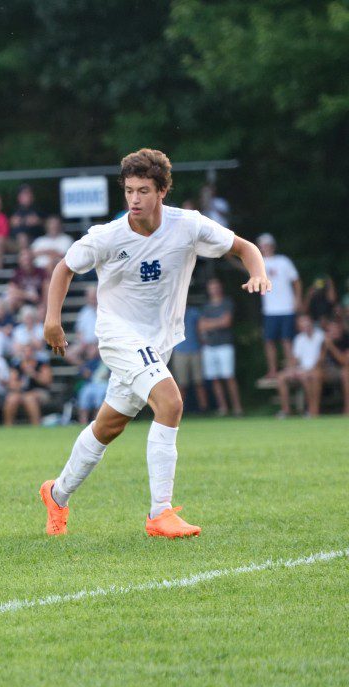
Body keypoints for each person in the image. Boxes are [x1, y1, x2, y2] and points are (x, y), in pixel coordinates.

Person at [41, 148, 271, 538]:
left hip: (157, 342)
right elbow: (64, 268)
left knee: (108, 426)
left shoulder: (188, 225)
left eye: (143, 190)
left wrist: (259, 273)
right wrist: (52, 320)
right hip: (118, 335)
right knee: (171, 401)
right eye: (129, 190)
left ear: (162, 191)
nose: (134, 199)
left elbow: (244, 247)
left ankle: (56, 495)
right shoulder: (108, 236)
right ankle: (159, 514)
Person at [199, 278, 243, 416]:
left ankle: (237, 407)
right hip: (209, 346)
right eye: (212, 287)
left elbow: (227, 322)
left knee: (229, 377)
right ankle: (223, 408)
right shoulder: (206, 306)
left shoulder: (227, 302)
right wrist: (218, 322)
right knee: (214, 379)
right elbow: (201, 326)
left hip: (224, 345)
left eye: (216, 286)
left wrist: (210, 323)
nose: (214, 289)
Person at [259, 233, 300, 378]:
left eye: (267, 244)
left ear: (272, 245)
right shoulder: (259, 262)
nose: (265, 247)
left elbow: (296, 280)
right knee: (269, 341)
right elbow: (244, 267)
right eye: (262, 245)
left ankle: (292, 368)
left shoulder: (283, 261)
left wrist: (297, 299)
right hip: (270, 309)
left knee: (287, 339)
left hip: (286, 307)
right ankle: (272, 370)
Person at [275, 315, 325, 418]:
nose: (304, 325)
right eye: (301, 323)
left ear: (311, 322)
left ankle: (311, 410)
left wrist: (307, 370)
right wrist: (292, 369)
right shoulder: (299, 338)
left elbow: (322, 358)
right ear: (299, 327)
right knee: (280, 377)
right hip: (302, 369)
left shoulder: (321, 336)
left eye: (306, 322)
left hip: (316, 369)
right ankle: (286, 410)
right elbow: (295, 358)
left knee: (306, 377)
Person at [169, 305, 209, 412]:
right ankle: (179, 411)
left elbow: (201, 329)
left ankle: (203, 409)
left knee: (199, 382)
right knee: (181, 384)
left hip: (195, 350)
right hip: (180, 351)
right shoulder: (172, 313)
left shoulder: (194, 312)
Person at [4, 343, 52, 426]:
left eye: (29, 351)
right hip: (20, 391)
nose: (27, 354)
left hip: (39, 391)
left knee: (29, 398)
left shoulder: (42, 364)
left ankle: (36, 424)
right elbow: (11, 383)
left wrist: (34, 374)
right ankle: (8, 425)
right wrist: (19, 385)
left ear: (33, 353)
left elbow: (47, 381)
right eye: (25, 352)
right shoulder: (17, 366)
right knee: (11, 398)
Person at [321, 319, 349, 415]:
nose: (334, 331)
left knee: (346, 373)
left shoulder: (346, 340)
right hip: (326, 371)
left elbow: (345, 362)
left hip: (341, 370)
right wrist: (326, 347)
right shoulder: (324, 342)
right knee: (313, 375)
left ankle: (347, 409)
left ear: (340, 329)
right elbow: (320, 362)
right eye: (331, 329)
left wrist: (331, 346)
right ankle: (313, 412)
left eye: (336, 329)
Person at [75, 345, 109, 424]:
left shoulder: (109, 361)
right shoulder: (92, 361)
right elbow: (82, 372)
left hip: (104, 384)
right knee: (84, 394)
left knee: (100, 395)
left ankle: (97, 422)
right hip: (91, 384)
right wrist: (85, 372)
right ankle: (83, 422)